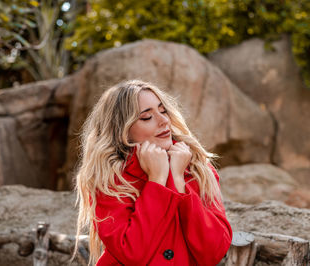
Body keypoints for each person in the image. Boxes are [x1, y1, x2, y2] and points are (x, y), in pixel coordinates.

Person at [72, 79, 232, 265]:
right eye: (147, 117)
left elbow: (213, 251)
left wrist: (178, 180)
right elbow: (133, 253)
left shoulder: (197, 166)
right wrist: (156, 181)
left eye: (163, 111)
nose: (164, 121)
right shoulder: (109, 180)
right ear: (122, 131)